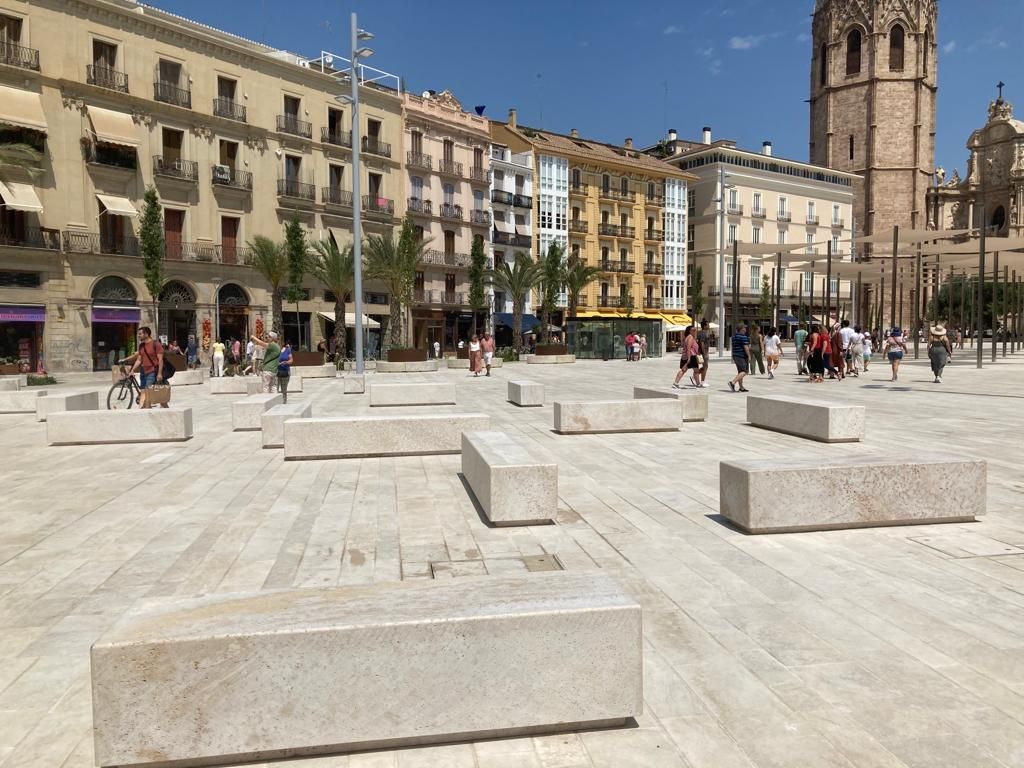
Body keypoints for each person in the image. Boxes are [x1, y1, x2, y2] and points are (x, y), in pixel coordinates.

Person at [124, 326, 168, 408]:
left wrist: (159, 374)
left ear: (146, 334)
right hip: (143, 372)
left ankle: (144, 409)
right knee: (144, 392)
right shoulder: (141, 346)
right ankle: (146, 408)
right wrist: (132, 370)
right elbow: (139, 360)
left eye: (140, 334)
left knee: (147, 393)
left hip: (152, 372)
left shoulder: (156, 344)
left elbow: (160, 360)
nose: (138, 336)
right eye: (138, 334)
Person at [728, 324, 750, 393]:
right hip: (741, 356)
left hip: (735, 355)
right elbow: (746, 347)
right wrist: (749, 356)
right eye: (744, 328)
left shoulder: (734, 337)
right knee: (744, 371)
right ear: (741, 329)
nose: (745, 330)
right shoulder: (743, 337)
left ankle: (741, 387)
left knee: (740, 371)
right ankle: (732, 383)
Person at [695, 320, 710, 387]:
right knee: (705, 367)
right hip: (703, 352)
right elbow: (702, 343)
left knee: (705, 366)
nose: (709, 326)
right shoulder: (703, 333)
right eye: (707, 325)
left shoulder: (700, 333)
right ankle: (702, 382)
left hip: (702, 352)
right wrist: (704, 353)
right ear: (704, 326)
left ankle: (695, 376)